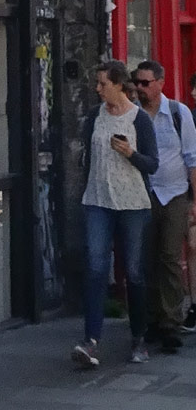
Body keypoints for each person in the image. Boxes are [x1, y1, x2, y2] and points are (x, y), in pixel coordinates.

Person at [72, 59, 160, 369]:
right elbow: (86, 157)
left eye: (103, 84)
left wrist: (131, 154)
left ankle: (139, 339)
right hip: (98, 201)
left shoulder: (139, 119)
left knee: (133, 272)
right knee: (95, 268)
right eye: (97, 83)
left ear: (119, 85)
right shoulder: (94, 116)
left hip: (132, 204)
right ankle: (90, 340)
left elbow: (153, 164)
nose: (98, 89)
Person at [132, 59, 196, 350]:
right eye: (137, 82)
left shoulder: (179, 113)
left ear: (160, 83)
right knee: (147, 258)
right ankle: (153, 319)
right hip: (144, 193)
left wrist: (194, 201)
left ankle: (171, 322)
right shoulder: (133, 114)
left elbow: (192, 159)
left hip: (175, 193)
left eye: (145, 83)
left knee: (170, 256)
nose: (140, 88)